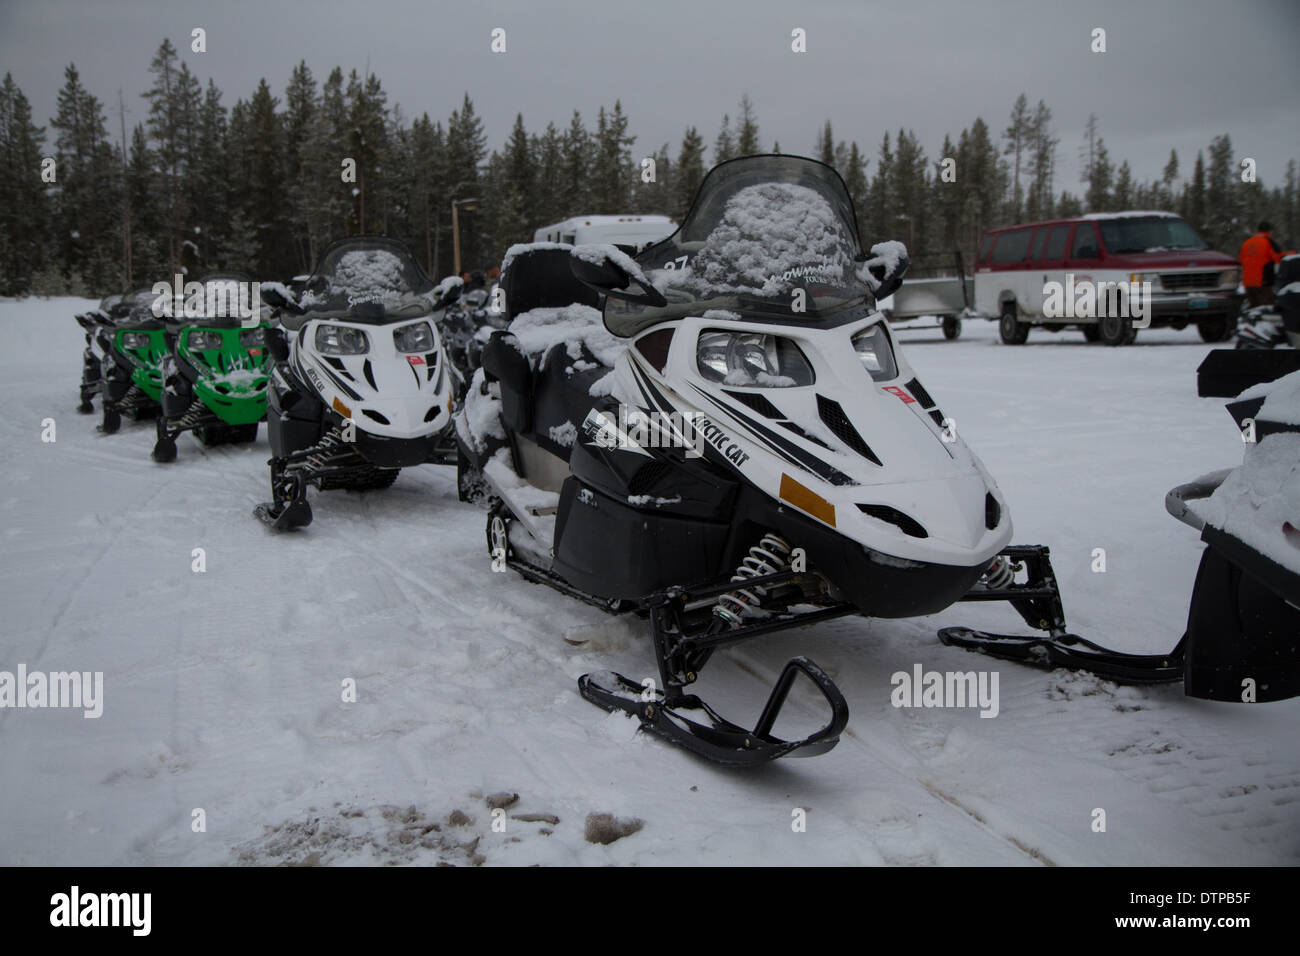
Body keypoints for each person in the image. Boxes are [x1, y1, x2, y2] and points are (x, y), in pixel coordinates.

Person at [1240, 221, 1284, 307]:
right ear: (1269, 231)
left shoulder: (1247, 243)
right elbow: (1278, 258)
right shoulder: (1268, 242)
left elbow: (1241, 259)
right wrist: (1294, 253)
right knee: (1266, 309)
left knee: (1254, 309)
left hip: (1248, 283)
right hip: (1263, 283)